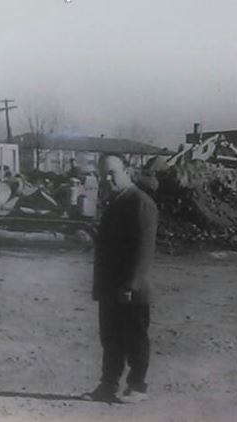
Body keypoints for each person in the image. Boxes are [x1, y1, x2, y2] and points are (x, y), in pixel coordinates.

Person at [86, 153, 158, 404]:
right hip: (110, 287)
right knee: (110, 338)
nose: (107, 179)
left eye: (112, 173)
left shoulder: (140, 202)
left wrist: (130, 285)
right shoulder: (115, 201)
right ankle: (108, 385)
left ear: (127, 171)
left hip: (131, 290)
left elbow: (143, 250)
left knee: (134, 337)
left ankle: (138, 386)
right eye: (102, 174)